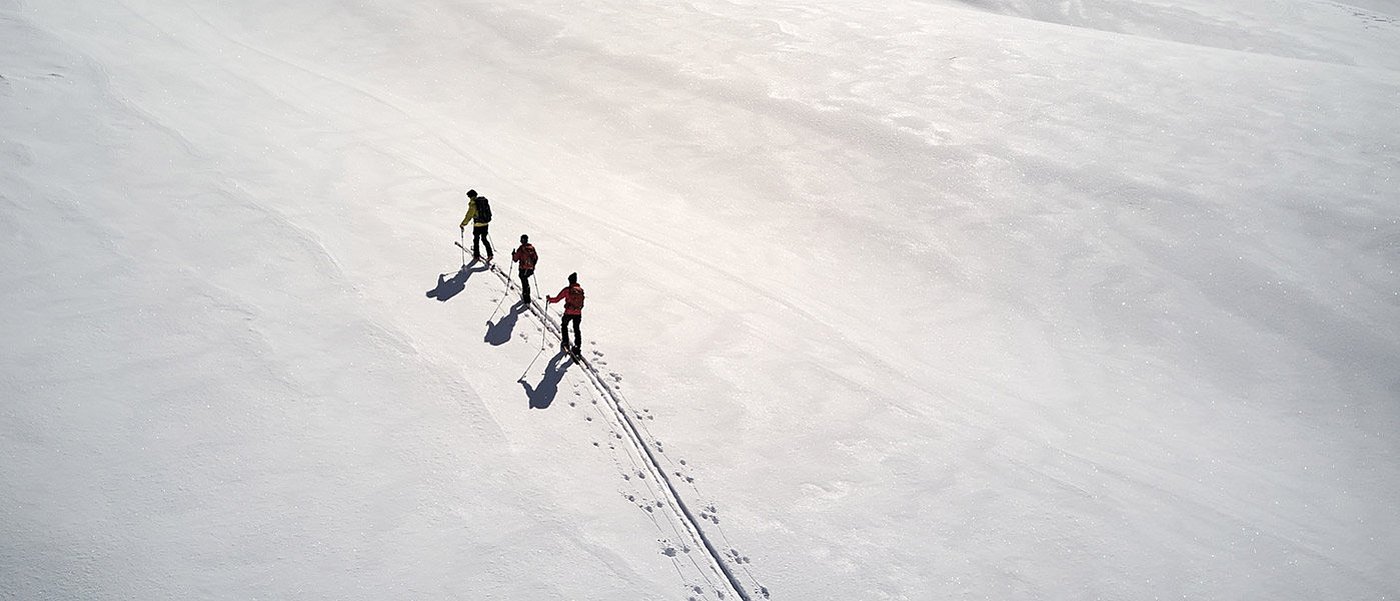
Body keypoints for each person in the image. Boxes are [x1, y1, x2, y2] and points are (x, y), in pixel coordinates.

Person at [547, 272, 585, 355]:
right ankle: (577, 346)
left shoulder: (567, 290)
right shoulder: (580, 290)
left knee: (564, 325)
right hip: (578, 313)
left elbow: (557, 299)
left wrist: (549, 299)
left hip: (568, 312)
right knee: (576, 329)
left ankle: (565, 342)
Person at [458, 189, 493, 261]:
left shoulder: (473, 204)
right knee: (484, 239)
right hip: (485, 224)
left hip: (477, 225)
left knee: (476, 240)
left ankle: (476, 256)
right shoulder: (483, 202)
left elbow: (469, 216)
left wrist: (463, 224)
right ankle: (490, 254)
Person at [511, 234, 539, 304]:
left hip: (523, 269)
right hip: (530, 269)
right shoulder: (532, 248)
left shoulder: (521, 248)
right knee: (525, 280)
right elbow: (536, 257)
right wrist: (533, 266)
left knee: (524, 282)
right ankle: (526, 296)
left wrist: (513, 254)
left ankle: (526, 298)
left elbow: (515, 259)